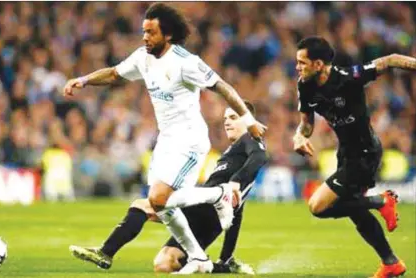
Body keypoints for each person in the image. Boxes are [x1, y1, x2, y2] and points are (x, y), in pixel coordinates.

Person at [63, 3, 266, 274]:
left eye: (151, 32)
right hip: (166, 141)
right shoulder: (142, 58)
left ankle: (219, 195)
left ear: (168, 35)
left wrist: (249, 120)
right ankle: (199, 258)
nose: (145, 37)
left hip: (189, 141)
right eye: (143, 31)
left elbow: (223, 88)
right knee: (161, 206)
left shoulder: (186, 62)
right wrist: (84, 79)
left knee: (159, 199)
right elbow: (114, 73)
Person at [69, 101, 267, 274]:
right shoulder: (234, 150)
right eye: (226, 118)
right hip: (210, 219)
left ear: (247, 120)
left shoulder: (250, 140)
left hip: (206, 209)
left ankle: (106, 252)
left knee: (144, 205)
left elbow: (260, 158)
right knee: (165, 264)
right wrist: (226, 258)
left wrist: (236, 180)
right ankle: (221, 269)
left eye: (233, 117)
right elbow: (237, 207)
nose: (227, 122)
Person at [293, 36, 415, 278]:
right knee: (356, 212)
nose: (298, 67)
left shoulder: (350, 77)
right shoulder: (305, 86)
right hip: (346, 153)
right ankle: (390, 263)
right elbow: (306, 124)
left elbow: (390, 60)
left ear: (318, 64)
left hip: (365, 153)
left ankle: (381, 201)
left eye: (302, 62)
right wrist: (299, 136)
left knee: (317, 206)